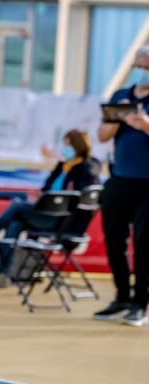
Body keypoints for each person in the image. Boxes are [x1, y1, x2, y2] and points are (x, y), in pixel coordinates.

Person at [0, 129, 102, 282]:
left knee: (17, 206)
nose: (65, 149)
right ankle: (2, 275)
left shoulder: (88, 168)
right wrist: (40, 195)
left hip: (63, 222)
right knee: (14, 225)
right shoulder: (62, 166)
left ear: (77, 145)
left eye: (68, 145)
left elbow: (79, 197)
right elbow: (47, 188)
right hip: (44, 213)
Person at [92, 46, 149, 327]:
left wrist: (145, 125)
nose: (142, 69)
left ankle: (141, 303)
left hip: (147, 183)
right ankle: (122, 296)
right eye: (140, 63)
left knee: (143, 242)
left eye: (147, 64)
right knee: (113, 239)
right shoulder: (121, 97)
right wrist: (117, 121)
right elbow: (102, 136)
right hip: (120, 178)